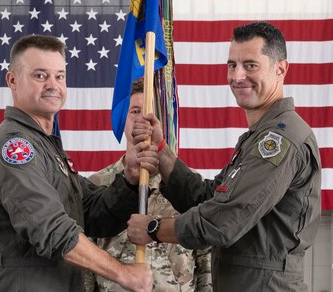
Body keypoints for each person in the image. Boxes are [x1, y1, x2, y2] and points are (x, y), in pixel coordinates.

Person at [127, 22, 321, 291]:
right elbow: (209, 199)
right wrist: (162, 151)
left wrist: (153, 229)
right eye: (232, 65)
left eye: (250, 65)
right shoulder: (258, 137)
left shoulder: (280, 141)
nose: (237, 76)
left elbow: (222, 222)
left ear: (280, 68)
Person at [0, 35, 158, 292]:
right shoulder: (14, 149)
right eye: (40, 76)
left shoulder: (45, 148)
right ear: (12, 80)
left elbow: (93, 215)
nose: (52, 85)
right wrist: (124, 274)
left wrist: (129, 179)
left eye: (59, 76)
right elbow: (52, 231)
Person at [84, 79, 212, 292]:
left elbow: (206, 255)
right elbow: (85, 260)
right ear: (122, 119)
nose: (142, 119)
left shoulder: (188, 186)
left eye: (150, 112)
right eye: (135, 111)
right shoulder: (97, 185)